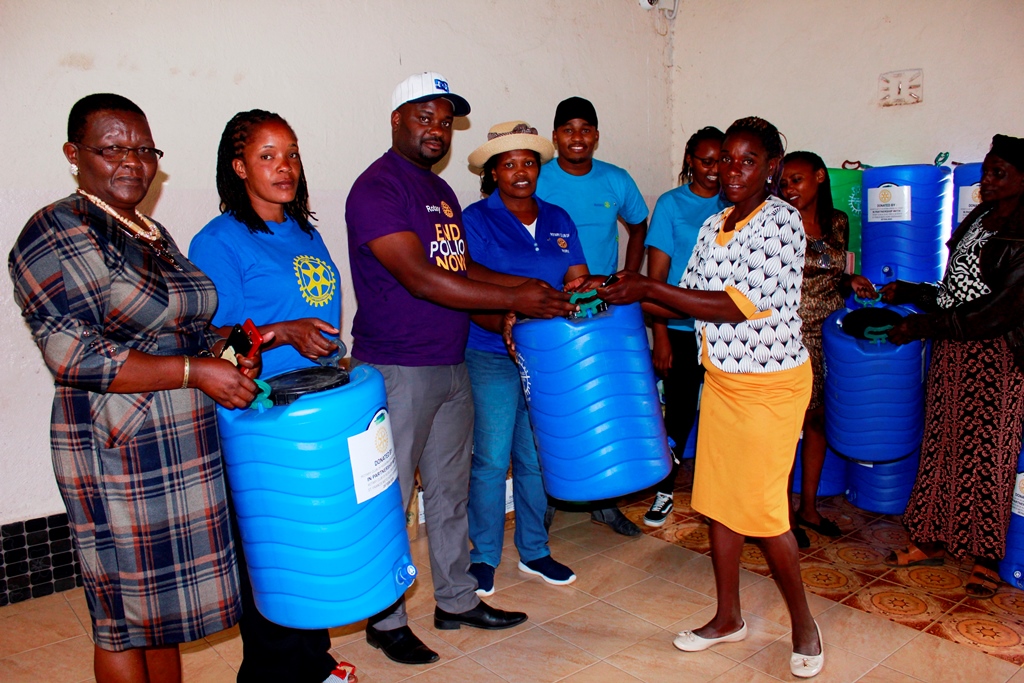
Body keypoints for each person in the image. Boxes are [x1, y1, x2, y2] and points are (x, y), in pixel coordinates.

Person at [8, 93, 261, 683]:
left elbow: (179, 328)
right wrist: (197, 372)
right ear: (74, 154)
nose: (133, 161)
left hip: (178, 442)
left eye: (145, 150)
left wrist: (230, 352)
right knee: (121, 615)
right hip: (115, 448)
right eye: (113, 148)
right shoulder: (56, 229)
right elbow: (72, 352)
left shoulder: (149, 231)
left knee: (159, 614)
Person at [344, 72, 576, 666]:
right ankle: (386, 620)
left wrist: (523, 288)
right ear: (397, 119)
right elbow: (420, 278)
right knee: (392, 500)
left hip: (450, 361)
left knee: (448, 493)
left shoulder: (440, 190)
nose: (437, 130)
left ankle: (455, 599)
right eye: (425, 117)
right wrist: (514, 299)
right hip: (398, 366)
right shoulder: (377, 188)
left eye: (445, 121)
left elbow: (461, 265)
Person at [583, 117, 825, 678]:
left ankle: (805, 625)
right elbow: (684, 299)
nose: (731, 171)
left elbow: (737, 305)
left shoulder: (781, 221)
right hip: (722, 380)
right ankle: (728, 617)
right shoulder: (716, 222)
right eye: (726, 160)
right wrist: (612, 291)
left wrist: (646, 285)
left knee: (764, 512)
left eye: (746, 161)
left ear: (771, 168)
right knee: (717, 502)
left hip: (770, 385)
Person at [189, 110, 348, 683]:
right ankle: (270, 675)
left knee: (311, 546)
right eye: (267, 156)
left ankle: (315, 664)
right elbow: (215, 344)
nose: (285, 167)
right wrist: (283, 333)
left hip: (315, 411)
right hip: (261, 417)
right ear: (239, 167)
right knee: (273, 555)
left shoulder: (306, 232)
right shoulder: (218, 242)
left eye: (292, 154)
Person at [880, 134, 1024, 599]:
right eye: (987, 170)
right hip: (953, 347)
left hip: (995, 355)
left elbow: (996, 313)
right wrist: (911, 292)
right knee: (943, 442)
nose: (987, 180)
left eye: (999, 173)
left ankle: (986, 558)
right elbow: (956, 287)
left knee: (988, 454)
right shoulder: (981, 217)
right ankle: (930, 539)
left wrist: (923, 325)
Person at [462, 121, 586, 596]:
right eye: (509, 164)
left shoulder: (558, 217)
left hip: (548, 356)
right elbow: (468, 277)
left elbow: (576, 278)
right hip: (490, 353)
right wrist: (524, 293)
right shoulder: (475, 219)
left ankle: (534, 550)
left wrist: (592, 292)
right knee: (492, 459)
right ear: (493, 172)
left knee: (536, 456)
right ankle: (483, 556)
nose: (520, 171)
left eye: (529, 162)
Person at [536, 95, 649, 536]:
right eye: (568, 130)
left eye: (585, 129)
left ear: (596, 136)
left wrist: (627, 277)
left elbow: (638, 225)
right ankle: (546, 500)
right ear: (555, 136)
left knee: (603, 403)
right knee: (551, 408)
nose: (577, 137)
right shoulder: (538, 178)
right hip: (548, 310)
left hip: (602, 310)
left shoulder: (616, 180)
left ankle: (605, 502)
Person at [778, 151, 875, 547]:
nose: (789, 188)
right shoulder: (776, 222)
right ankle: (782, 515)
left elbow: (832, 272)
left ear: (820, 177)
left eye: (797, 179)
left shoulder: (838, 222)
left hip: (829, 333)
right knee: (787, 426)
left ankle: (809, 507)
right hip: (789, 334)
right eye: (784, 182)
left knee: (818, 421)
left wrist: (851, 280)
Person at [642, 126, 727, 527]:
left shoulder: (736, 203)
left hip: (727, 331)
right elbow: (656, 279)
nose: (713, 169)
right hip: (679, 330)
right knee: (677, 414)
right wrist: (660, 333)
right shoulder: (672, 204)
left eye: (720, 161)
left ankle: (721, 500)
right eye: (705, 161)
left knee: (723, 416)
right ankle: (665, 490)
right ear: (690, 161)